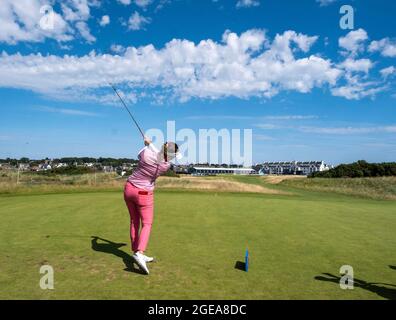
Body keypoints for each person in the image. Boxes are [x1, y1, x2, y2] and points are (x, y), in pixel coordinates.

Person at [124, 136, 180, 274]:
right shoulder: (165, 165)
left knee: (134, 221)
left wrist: (148, 144)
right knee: (147, 224)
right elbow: (162, 157)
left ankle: (137, 252)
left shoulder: (145, 153)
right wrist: (152, 145)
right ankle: (139, 253)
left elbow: (149, 153)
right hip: (144, 194)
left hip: (128, 189)